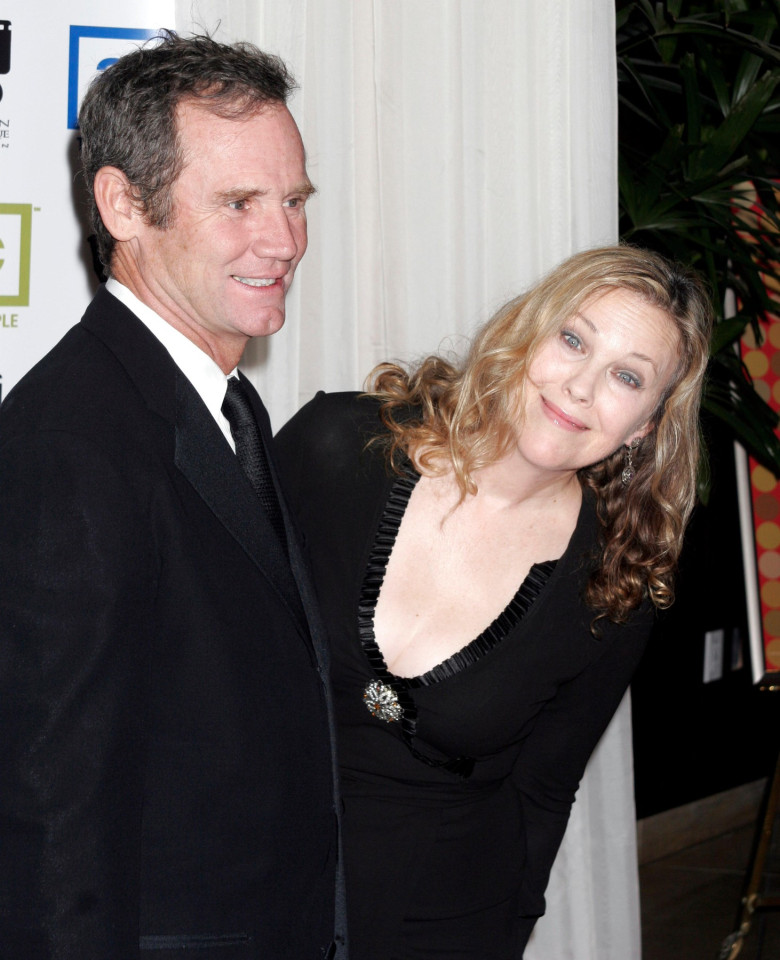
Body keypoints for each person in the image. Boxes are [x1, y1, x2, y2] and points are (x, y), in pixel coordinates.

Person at [0, 32, 344, 959]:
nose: (284, 240)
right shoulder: (71, 439)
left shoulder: (225, 400)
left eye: (293, 201)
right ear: (124, 204)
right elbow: (49, 802)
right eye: (239, 203)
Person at [274, 245, 713, 959]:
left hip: (440, 912)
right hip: (248, 863)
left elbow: (543, 792)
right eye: (573, 340)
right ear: (525, 332)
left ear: (643, 426)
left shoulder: (615, 586)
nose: (579, 387)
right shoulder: (337, 445)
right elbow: (201, 651)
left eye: (626, 377)